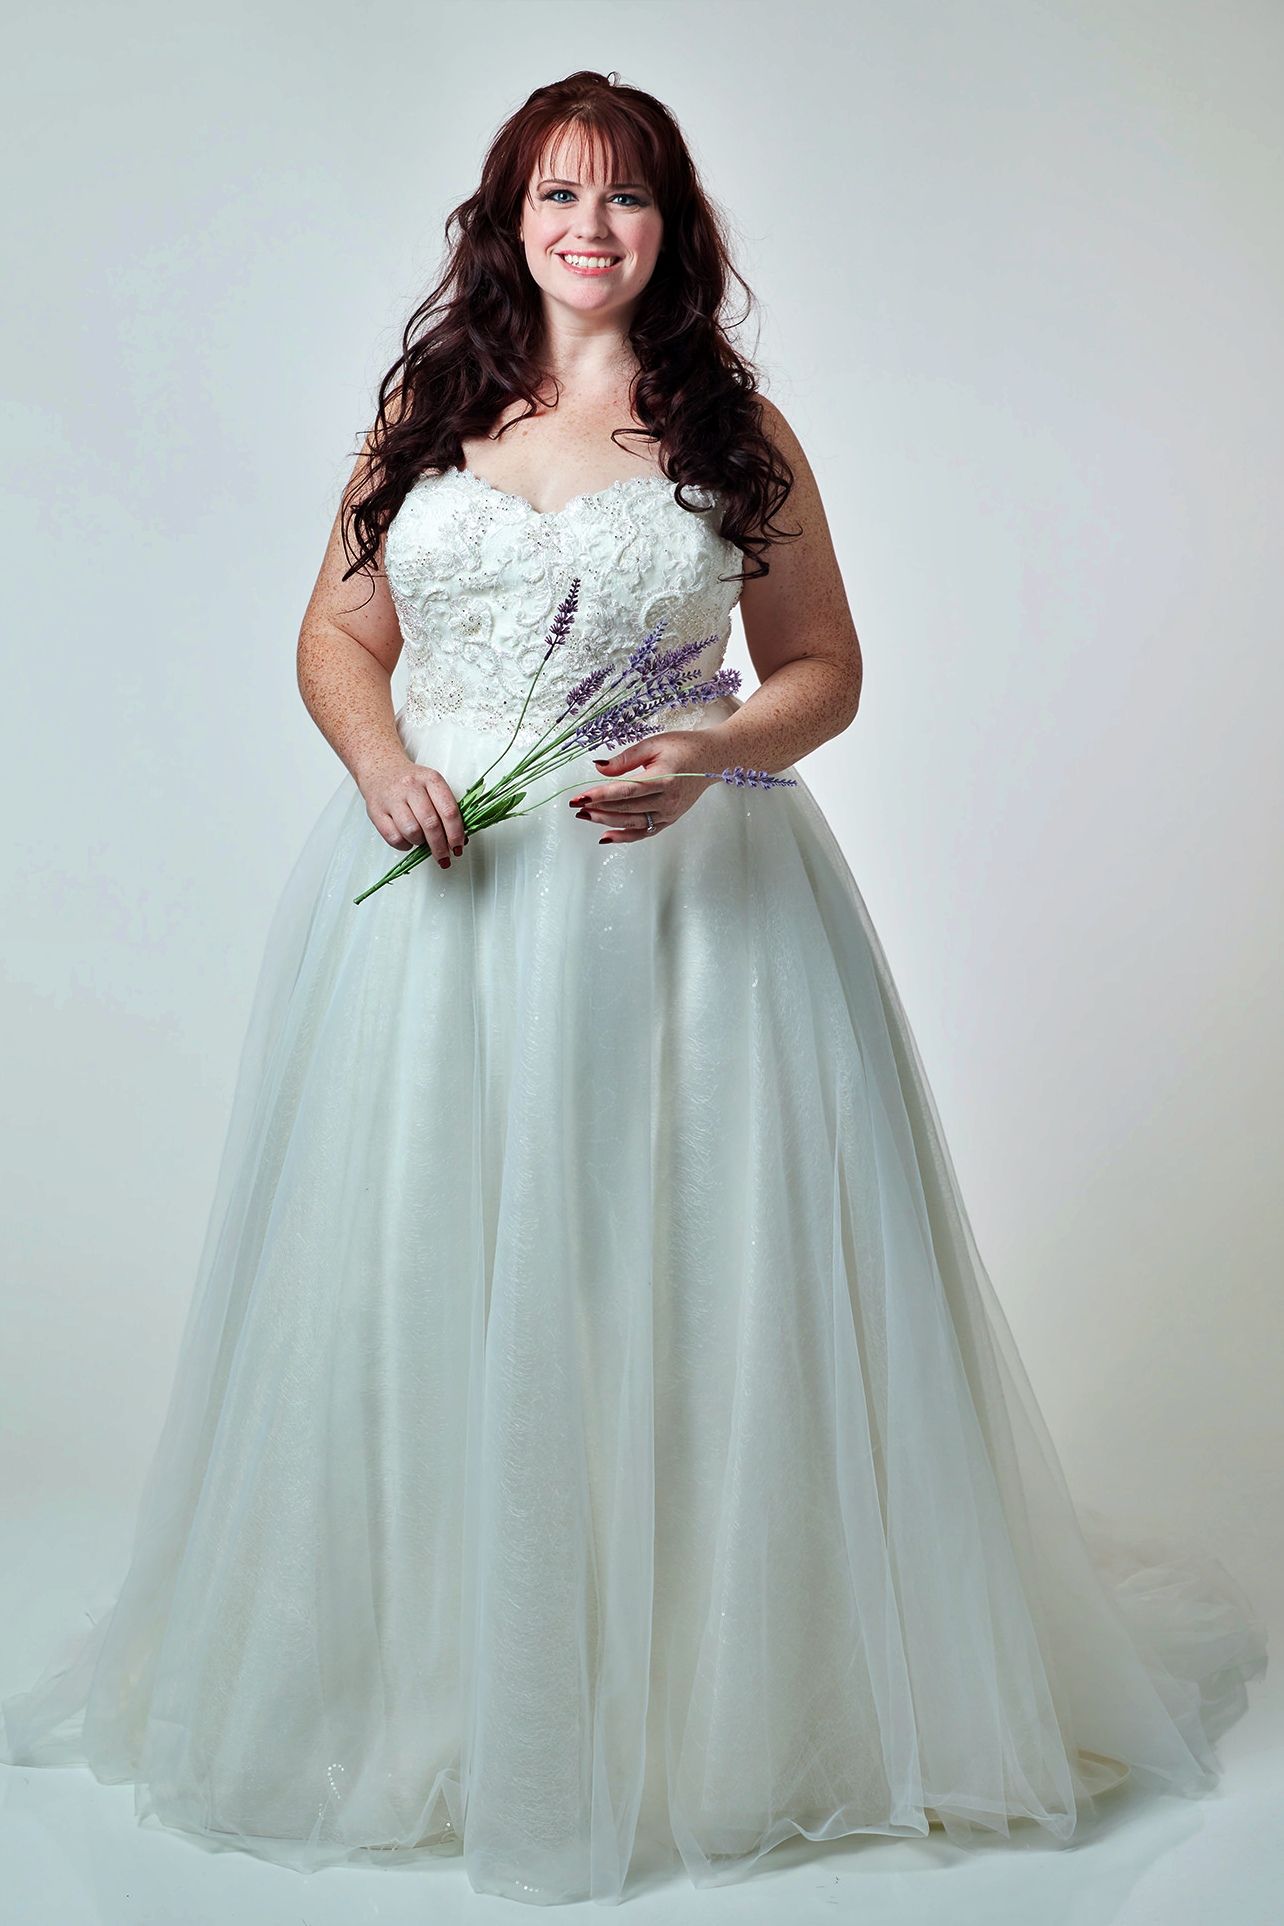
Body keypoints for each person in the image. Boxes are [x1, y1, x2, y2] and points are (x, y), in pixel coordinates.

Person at [1, 68, 1267, 1909]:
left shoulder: (731, 426)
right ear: (508, 224)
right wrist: (378, 764)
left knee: (688, 1271)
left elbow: (823, 666)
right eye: (555, 198)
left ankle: (711, 1704)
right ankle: (438, 1676)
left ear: (673, 230)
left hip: (690, 915)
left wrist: (722, 751)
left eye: (628, 199)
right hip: (436, 914)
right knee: (429, 1270)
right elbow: (337, 634)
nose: (590, 228)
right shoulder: (427, 411)